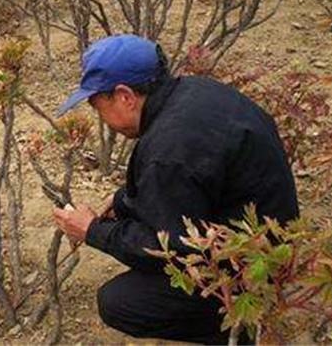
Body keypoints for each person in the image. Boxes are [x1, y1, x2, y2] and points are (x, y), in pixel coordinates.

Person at [52, 34, 299, 344]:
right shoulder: (193, 93)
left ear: (125, 96)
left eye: (98, 106)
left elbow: (170, 251)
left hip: (252, 270)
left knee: (119, 301)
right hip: (269, 235)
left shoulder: (169, 151)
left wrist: (93, 231)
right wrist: (122, 202)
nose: (100, 117)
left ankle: (243, 328)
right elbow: (187, 186)